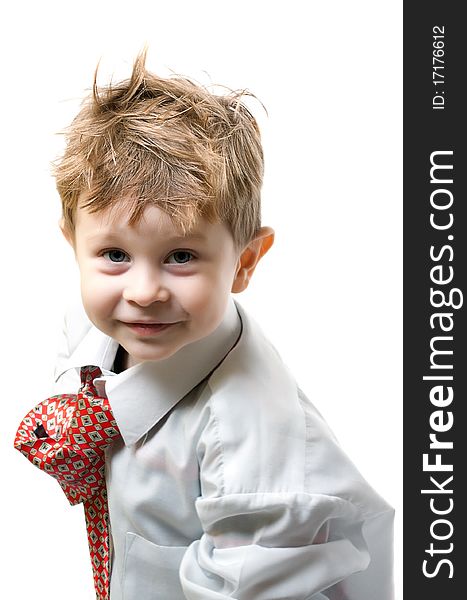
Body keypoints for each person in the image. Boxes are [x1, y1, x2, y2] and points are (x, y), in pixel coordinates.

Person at [15, 50, 394, 599]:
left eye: (182, 257)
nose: (143, 292)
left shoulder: (249, 448)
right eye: (115, 255)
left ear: (244, 262)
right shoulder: (94, 328)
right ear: (73, 244)